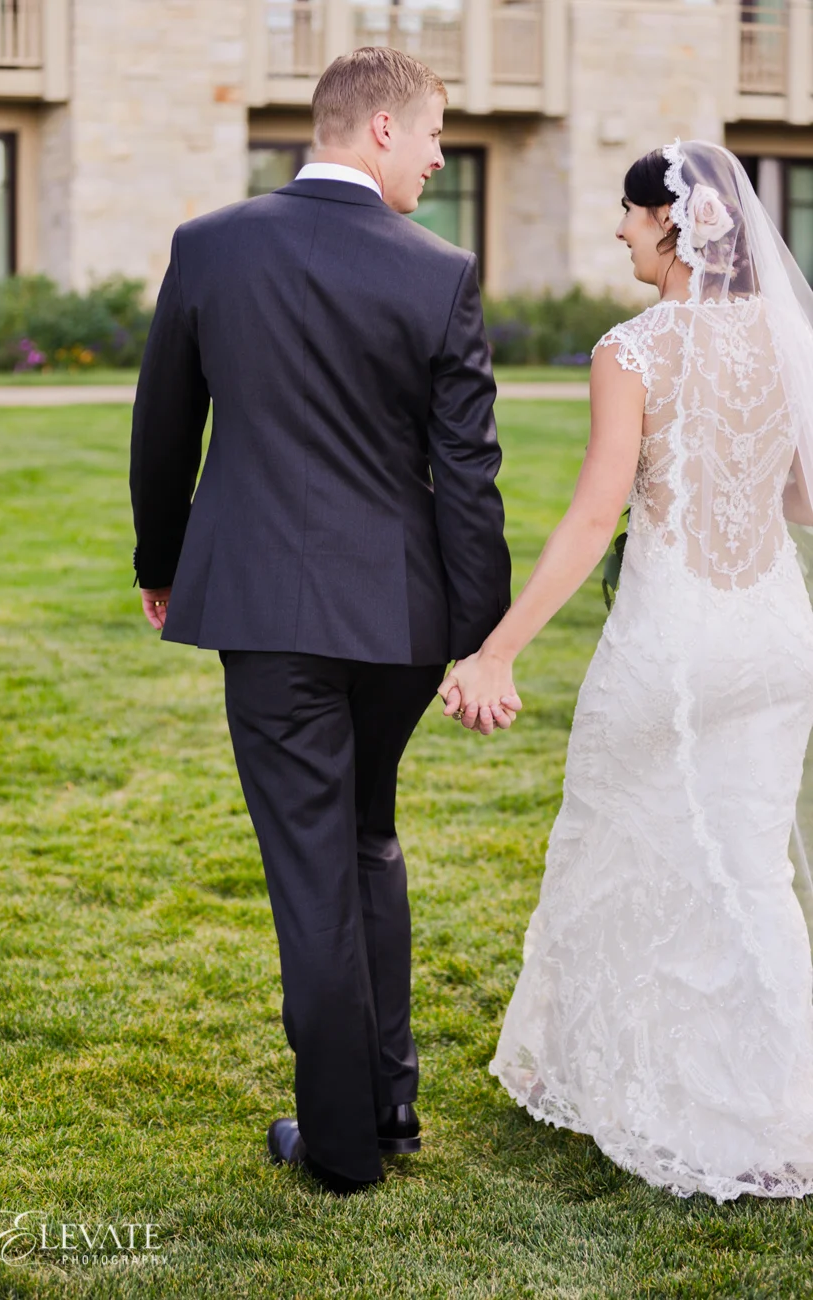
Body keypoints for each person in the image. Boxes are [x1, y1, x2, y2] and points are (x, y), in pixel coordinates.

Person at [129, 46, 513, 1195]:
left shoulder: (210, 246)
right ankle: (386, 1102)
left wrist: (161, 562)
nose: (443, 159)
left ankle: (343, 1145)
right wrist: (480, 632)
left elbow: (163, 431)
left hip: (265, 611)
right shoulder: (440, 271)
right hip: (401, 617)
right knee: (364, 841)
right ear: (378, 130)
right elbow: (470, 476)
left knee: (314, 871)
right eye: (437, 134)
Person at [440, 140, 813, 1200]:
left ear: (673, 222)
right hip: (777, 639)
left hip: (675, 646)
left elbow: (598, 510)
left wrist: (497, 648)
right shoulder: (783, 338)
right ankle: (771, 1101)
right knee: (749, 871)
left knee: (624, 848)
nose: (617, 230)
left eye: (626, 212)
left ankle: (640, 1086)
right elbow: (801, 498)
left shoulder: (634, 348)